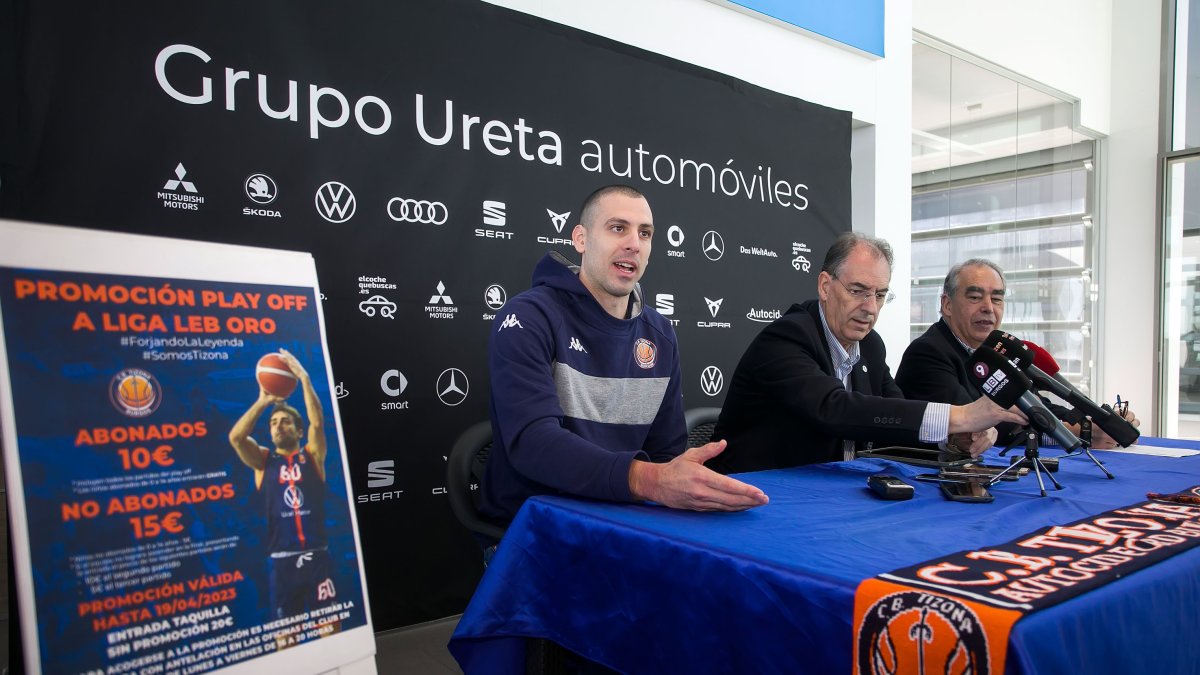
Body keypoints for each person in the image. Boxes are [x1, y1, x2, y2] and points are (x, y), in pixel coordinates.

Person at [479, 185, 768, 526]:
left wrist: (678, 480)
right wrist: (649, 480)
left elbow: (666, 453)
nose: (634, 243)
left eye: (645, 233)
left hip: (625, 525)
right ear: (581, 239)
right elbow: (532, 444)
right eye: (618, 228)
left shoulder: (659, 334)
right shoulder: (529, 316)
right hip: (535, 532)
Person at [709, 233, 1025, 474]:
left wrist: (953, 437)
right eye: (858, 291)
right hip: (756, 493)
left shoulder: (871, 345)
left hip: (831, 495)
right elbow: (835, 410)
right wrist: (962, 416)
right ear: (825, 286)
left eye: (880, 295)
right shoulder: (786, 337)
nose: (870, 307)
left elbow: (895, 413)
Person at [895, 258, 1140, 449]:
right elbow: (982, 424)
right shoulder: (927, 353)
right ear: (947, 305)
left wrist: (1092, 423)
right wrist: (1074, 432)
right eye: (975, 297)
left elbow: (1035, 406)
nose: (988, 308)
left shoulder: (998, 350)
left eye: (997, 299)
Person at [228, 349, 340, 631]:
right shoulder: (264, 461)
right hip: (282, 563)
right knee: (286, 637)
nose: (278, 427)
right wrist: (263, 401)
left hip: (317, 556)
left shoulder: (312, 455)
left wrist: (303, 377)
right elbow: (237, 437)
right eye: (274, 423)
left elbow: (317, 422)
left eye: (285, 421)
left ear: (298, 431)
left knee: (330, 631)